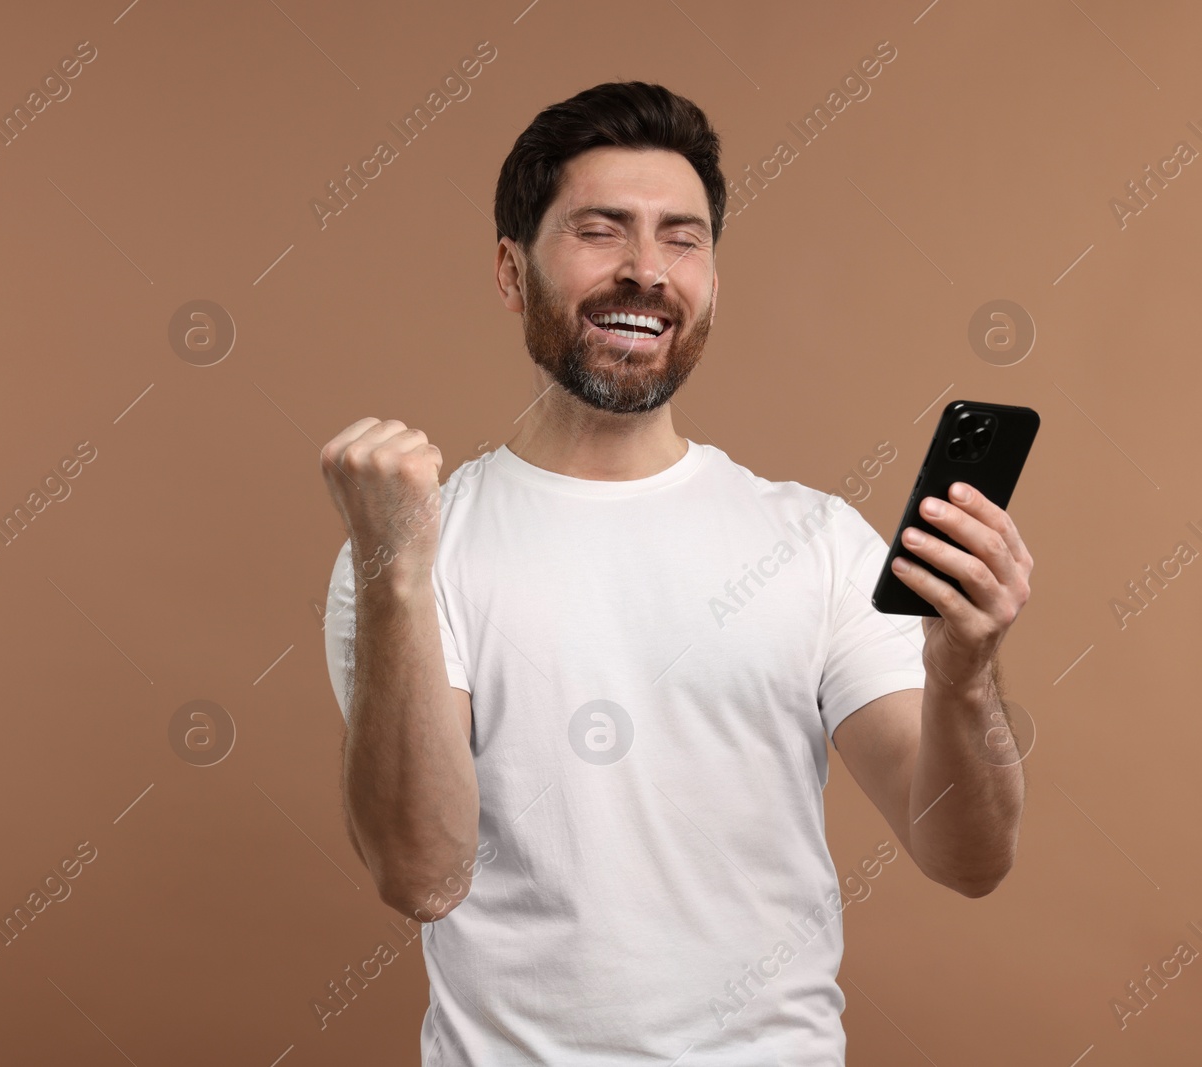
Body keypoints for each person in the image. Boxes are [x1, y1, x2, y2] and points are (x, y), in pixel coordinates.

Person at [318, 81, 1029, 1066]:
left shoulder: (816, 539)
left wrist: (962, 677)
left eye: (681, 238)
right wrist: (394, 566)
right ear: (510, 271)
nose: (645, 270)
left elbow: (968, 856)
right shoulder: (415, 544)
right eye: (601, 230)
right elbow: (421, 874)